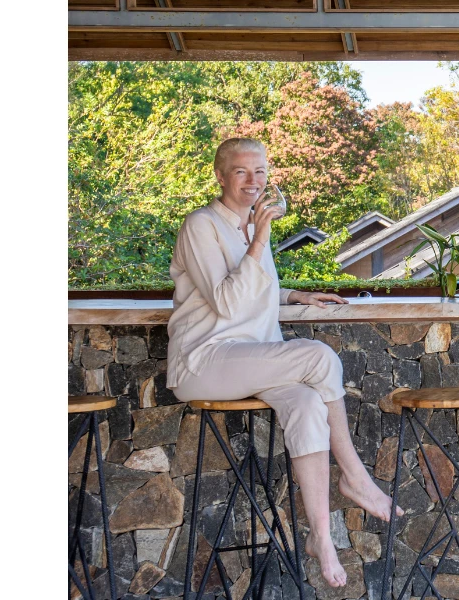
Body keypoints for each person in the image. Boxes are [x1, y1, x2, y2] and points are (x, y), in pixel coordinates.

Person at [166, 138, 400, 588]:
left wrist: (294, 295)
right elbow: (227, 302)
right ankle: (354, 475)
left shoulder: (250, 226)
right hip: (206, 361)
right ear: (220, 176)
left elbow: (255, 290)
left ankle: (320, 538)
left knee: (309, 404)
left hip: (253, 356)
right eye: (241, 171)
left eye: (260, 171)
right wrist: (260, 238)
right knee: (318, 355)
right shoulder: (201, 225)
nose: (253, 181)